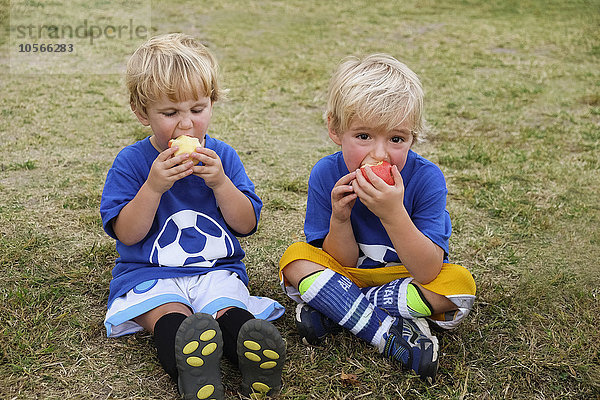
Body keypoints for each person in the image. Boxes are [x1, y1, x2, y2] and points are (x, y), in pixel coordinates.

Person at [100, 33, 285, 399]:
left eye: (197, 109)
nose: (186, 125)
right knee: (170, 318)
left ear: (212, 104)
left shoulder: (223, 157)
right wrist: (152, 187)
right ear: (142, 113)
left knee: (227, 310)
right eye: (170, 114)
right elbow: (128, 234)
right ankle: (194, 372)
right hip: (152, 273)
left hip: (215, 270)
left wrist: (221, 184)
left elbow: (246, 224)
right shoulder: (132, 163)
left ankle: (252, 356)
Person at [279, 54, 476, 382]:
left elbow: (427, 270)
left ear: (413, 138)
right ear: (335, 129)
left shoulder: (427, 178)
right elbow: (339, 261)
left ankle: (335, 308)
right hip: (349, 274)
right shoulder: (327, 174)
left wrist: (393, 214)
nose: (380, 153)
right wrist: (340, 220)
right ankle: (388, 333)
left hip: (408, 279)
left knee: (458, 286)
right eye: (364, 136)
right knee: (295, 261)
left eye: (396, 139)